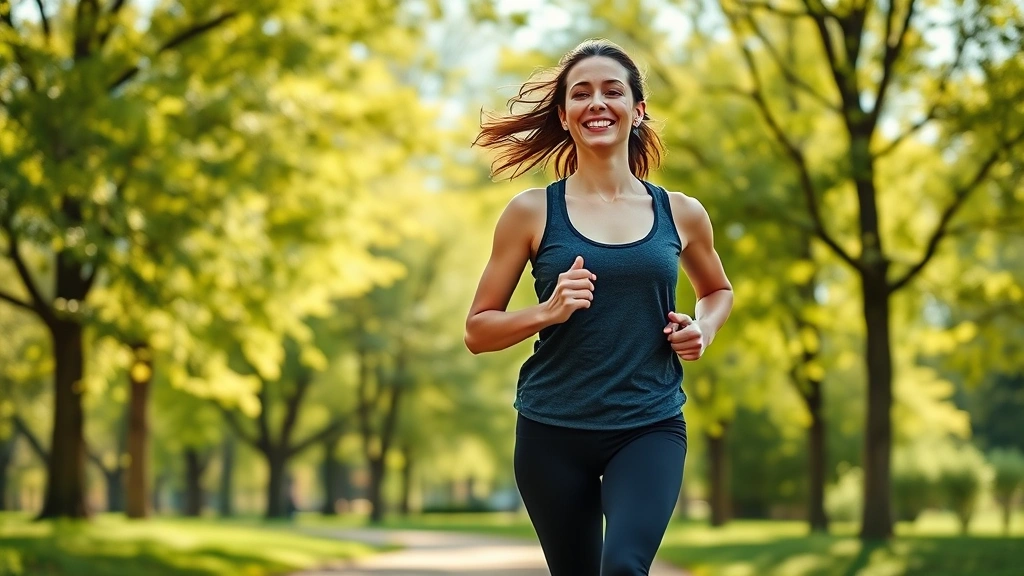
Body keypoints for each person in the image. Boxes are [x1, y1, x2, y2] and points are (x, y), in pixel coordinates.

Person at [464, 38, 734, 575]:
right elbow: (478, 330)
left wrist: (701, 329)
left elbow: (717, 291)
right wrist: (548, 310)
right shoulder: (531, 213)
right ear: (564, 115)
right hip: (552, 429)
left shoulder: (681, 213)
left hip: (649, 422)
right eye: (581, 94)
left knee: (624, 567)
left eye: (613, 92)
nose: (597, 104)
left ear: (637, 111)